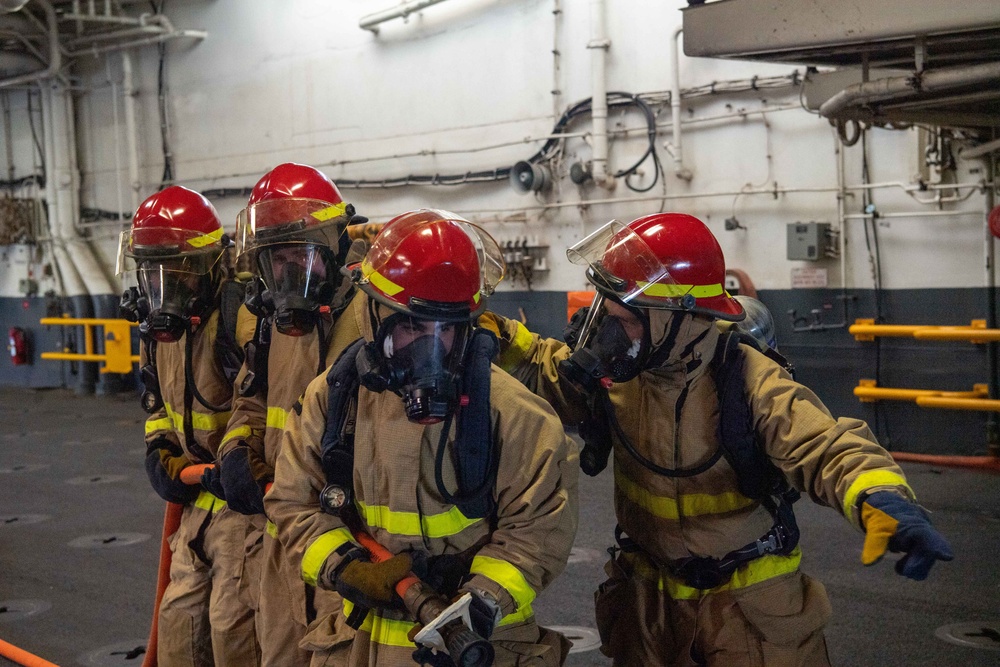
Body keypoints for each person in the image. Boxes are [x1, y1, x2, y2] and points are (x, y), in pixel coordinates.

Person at [485, 212, 953, 666]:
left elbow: (825, 446)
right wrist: (495, 334)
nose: (609, 335)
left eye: (624, 320)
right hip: (648, 603)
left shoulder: (747, 379)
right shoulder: (623, 374)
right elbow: (547, 370)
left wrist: (879, 496)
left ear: (678, 320)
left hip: (746, 607)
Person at [266, 210, 579, 666]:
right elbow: (292, 504)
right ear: (373, 315)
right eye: (411, 326)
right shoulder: (333, 400)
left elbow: (538, 532)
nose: (430, 348)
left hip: (471, 642)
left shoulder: (516, 416)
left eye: (446, 329)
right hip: (358, 640)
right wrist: (345, 568)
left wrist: (474, 609)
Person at [213, 163, 366, 665]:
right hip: (281, 542)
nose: (287, 272)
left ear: (335, 247)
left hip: (353, 547)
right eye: (274, 258)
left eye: (299, 254)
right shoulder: (269, 325)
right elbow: (250, 400)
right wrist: (237, 448)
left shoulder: (376, 316)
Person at [117, 185, 260, 666]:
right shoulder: (157, 333)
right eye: (151, 275)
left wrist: (240, 461)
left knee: (232, 630)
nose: (164, 291)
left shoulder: (239, 321)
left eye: (177, 273)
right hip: (197, 502)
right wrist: (159, 447)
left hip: (247, 509)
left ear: (211, 266)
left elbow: (263, 408)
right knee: (178, 627)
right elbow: (156, 403)